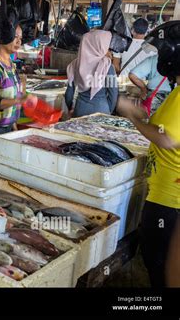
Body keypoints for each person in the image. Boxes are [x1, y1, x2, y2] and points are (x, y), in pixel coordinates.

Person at [116, 20, 180, 288]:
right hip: (165, 195)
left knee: (160, 267)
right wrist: (146, 116)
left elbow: (167, 138)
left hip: (169, 202)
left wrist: (134, 118)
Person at [65, 30, 119, 118]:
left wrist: (71, 107)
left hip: (80, 109)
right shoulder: (107, 65)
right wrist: (108, 109)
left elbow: (69, 94)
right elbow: (113, 93)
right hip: (101, 110)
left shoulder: (75, 64)